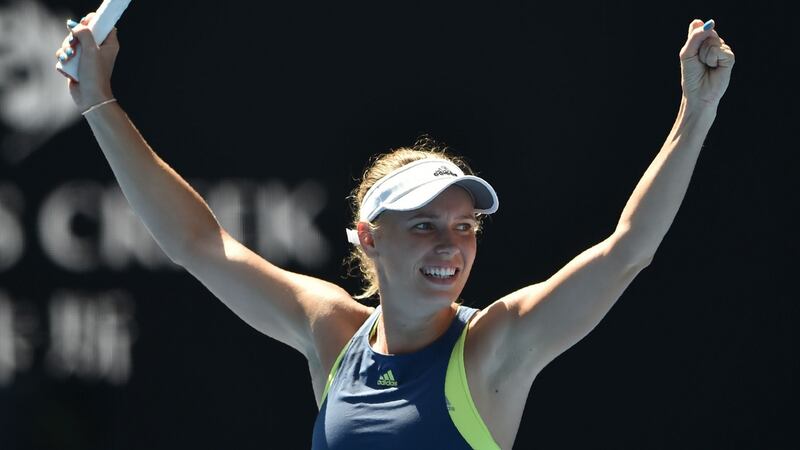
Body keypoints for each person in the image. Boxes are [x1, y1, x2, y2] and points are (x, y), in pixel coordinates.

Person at [56, 14, 734, 450]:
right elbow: (200, 245)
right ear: (369, 238)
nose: (451, 245)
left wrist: (694, 115)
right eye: (424, 225)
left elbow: (627, 252)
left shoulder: (497, 345)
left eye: (465, 226)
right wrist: (98, 102)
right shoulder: (329, 333)